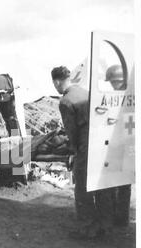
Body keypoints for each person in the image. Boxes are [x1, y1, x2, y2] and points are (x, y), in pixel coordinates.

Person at [51, 66, 114, 239]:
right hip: (101, 141)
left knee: (82, 187)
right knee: (101, 184)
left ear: (56, 82)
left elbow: (72, 132)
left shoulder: (66, 101)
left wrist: (73, 152)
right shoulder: (86, 92)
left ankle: (87, 228)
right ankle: (105, 225)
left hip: (86, 144)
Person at [105, 64, 131, 227]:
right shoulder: (122, 96)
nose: (113, 85)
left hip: (124, 144)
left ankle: (120, 218)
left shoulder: (127, 97)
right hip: (119, 144)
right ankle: (119, 217)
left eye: (115, 82)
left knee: (122, 183)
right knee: (118, 182)